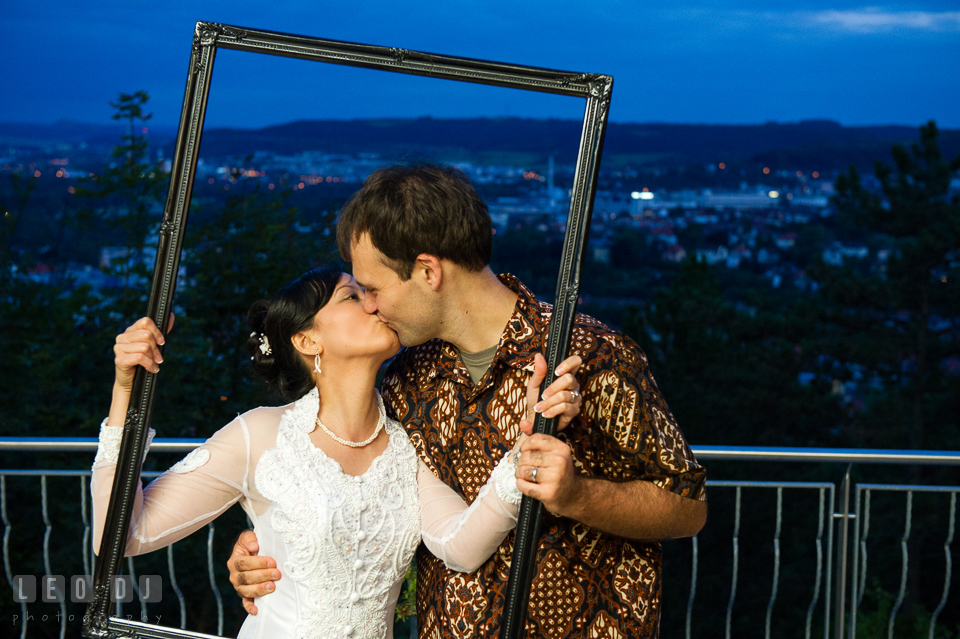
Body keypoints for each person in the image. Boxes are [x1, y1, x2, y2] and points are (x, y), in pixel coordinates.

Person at [229, 164, 707, 638]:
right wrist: (274, 548)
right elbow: (353, 498)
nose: (369, 305)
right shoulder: (402, 381)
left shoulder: (589, 353)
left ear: (427, 271)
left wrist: (578, 495)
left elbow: (688, 508)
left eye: (373, 289)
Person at [92, 265, 583, 639]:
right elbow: (121, 535)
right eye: (353, 296)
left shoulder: (406, 448)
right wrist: (123, 392)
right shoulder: (260, 435)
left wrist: (528, 446)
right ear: (308, 339)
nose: (373, 304)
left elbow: (462, 546)